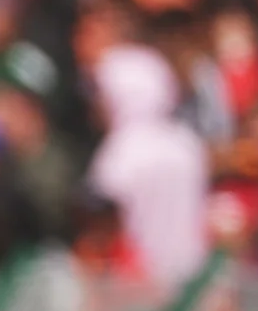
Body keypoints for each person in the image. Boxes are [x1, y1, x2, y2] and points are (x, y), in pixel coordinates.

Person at [87, 45, 211, 287]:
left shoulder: (121, 152)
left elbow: (100, 224)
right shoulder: (186, 143)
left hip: (137, 281)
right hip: (191, 278)